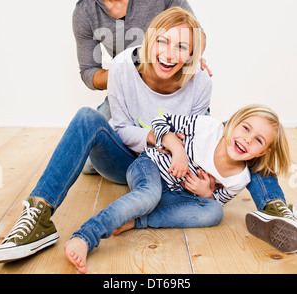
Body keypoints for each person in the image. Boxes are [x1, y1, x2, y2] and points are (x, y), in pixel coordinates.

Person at [0, 7, 212, 264]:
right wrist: (163, 137)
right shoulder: (122, 66)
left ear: (192, 54)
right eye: (162, 41)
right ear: (149, 40)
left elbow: (197, 138)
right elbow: (121, 129)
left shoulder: (200, 81)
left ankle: (86, 162)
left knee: (210, 207)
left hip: (164, 172)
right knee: (88, 117)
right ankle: (38, 213)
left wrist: (208, 186)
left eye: (181, 46)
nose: (168, 54)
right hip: (123, 160)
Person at [64, 104, 292, 274]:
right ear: (233, 122)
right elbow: (161, 122)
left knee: (214, 213)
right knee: (148, 195)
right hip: (149, 167)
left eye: (258, 141)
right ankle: (86, 236)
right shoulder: (208, 128)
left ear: (262, 153)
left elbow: (215, 201)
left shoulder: (239, 178)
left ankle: (137, 220)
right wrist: (178, 152)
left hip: (176, 194)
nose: (247, 139)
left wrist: (206, 193)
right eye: (245, 128)